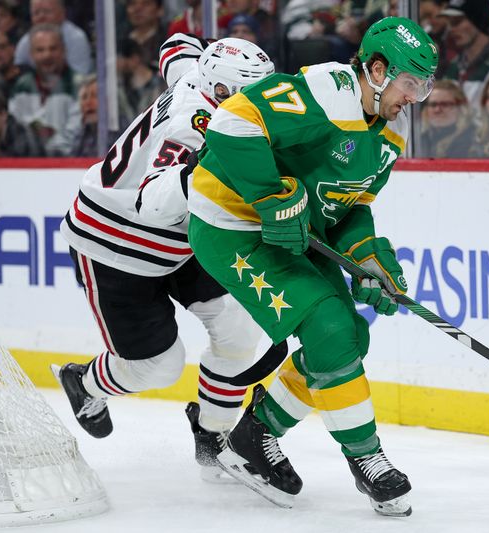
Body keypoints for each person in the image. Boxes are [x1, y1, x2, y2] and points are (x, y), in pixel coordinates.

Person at [186, 16, 438, 516]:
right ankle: (368, 459)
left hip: (298, 231)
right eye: (410, 83)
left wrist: (365, 255)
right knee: (328, 328)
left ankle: (253, 437)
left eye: (423, 87)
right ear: (378, 69)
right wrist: (271, 195)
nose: (414, 97)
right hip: (232, 223)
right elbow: (232, 121)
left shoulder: (393, 131)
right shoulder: (328, 90)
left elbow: (348, 205)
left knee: (347, 338)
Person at [53, 33, 279, 483]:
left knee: (239, 326)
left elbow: (177, 46)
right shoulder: (190, 130)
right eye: (250, 95)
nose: (261, 105)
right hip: (117, 244)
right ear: (219, 92)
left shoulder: (202, 76)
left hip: (182, 240)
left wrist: (211, 46)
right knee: (158, 367)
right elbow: (153, 203)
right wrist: (212, 168)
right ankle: (85, 383)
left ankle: (213, 433)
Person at [7, 23, 81, 157]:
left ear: (64, 50)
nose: (47, 55)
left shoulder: (78, 84)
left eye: (53, 48)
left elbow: (76, 132)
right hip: (25, 162)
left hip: (67, 164)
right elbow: (14, 124)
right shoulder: (21, 85)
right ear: (31, 54)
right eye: (40, 50)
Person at [439, 0, 489, 106]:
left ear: (477, 21)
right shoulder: (455, 63)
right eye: (449, 24)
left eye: (457, 22)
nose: (451, 29)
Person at [13, 0, 93, 75]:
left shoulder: (76, 38)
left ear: (62, 13)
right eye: (36, 13)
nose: (41, 17)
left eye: (47, 11)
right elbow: (19, 73)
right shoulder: (25, 41)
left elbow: (80, 76)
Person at [419, 79, 474, 158]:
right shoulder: (419, 140)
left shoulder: (472, 140)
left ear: (460, 108)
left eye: (445, 104)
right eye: (433, 104)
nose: (437, 110)